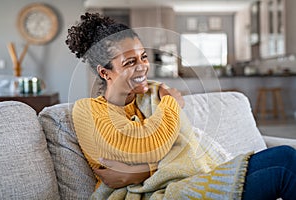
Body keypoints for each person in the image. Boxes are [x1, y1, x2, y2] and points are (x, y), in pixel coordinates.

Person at [66, 12, 296, 199]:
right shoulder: (87, 110)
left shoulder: (152, 96)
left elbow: (184, 147)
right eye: (130, 62)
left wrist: (137, 172)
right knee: (285, 164)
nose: (143, 67)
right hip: (160, 194)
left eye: (144, 57)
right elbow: (146, 145)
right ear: (105, 72)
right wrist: (171, 103)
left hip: (193, 180)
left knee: (286, 156)